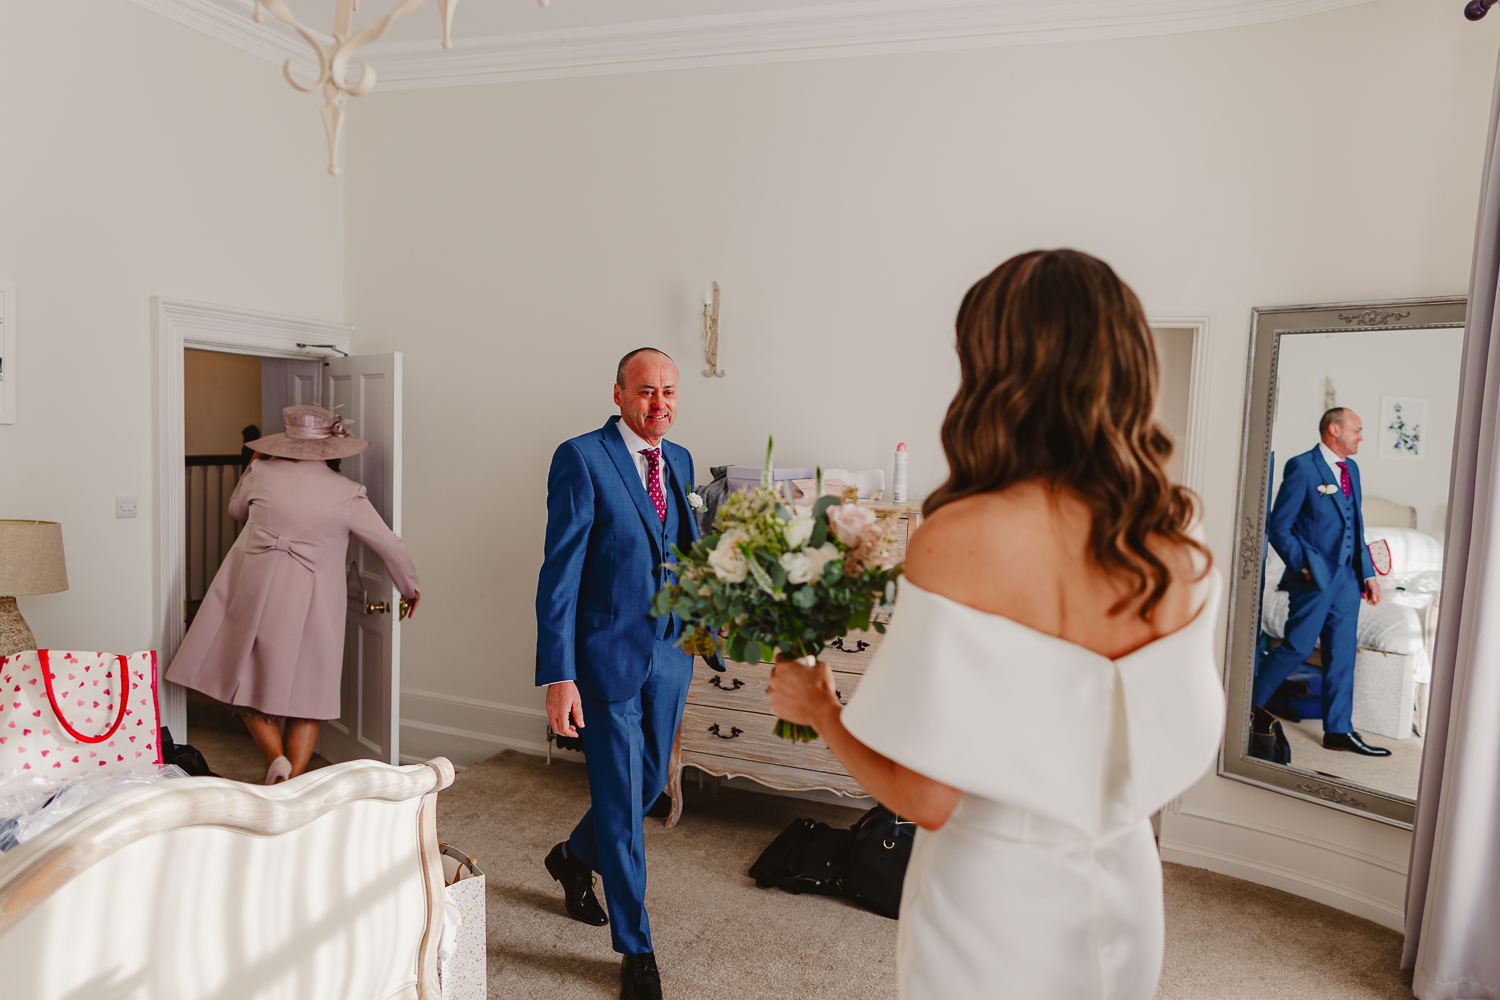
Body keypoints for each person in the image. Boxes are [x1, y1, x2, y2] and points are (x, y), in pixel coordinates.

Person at [766, 249, 1224, 1000]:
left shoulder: (959, 537)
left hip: (994, 899)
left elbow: (925, 799)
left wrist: (821, 709)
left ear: (996, 369)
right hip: (1125, 880)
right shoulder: (1180, 536)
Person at [535, 348, 715, 1000]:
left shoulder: (683, 460)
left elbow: (685, 549)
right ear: (619, 394)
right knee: (620, 801)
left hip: (671, 654)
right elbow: (560, 576)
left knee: (643, 791)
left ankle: (571, 857)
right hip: (606, 658)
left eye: (668, 390)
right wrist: (560, 674)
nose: (658, 403)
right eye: (646, 391)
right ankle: (637, 951)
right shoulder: (581, 458)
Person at [166, 405, 421, 784]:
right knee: (308, 699)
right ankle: (290, 788)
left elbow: (236, 510)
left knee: (245, 684)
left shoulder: (262, 472)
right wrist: (409, 587)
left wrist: (253, 463)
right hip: (313, 604)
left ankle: (275, 759)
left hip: (254, 591)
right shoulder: (347, 493)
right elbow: (389, 544)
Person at [1251, 408, 1388, 758]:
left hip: (1347, 579)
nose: (1360, 437)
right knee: (1297, 647)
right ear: (1334, 430)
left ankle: (1339, 730)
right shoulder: (1302, 467)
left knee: (1342, 655)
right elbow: (1279, 528)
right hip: (1314, 577)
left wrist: (1368, 573)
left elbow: (1355, 525)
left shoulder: (1351, 470)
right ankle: (1241, 707)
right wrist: (1304, 566)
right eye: (1356, 430)